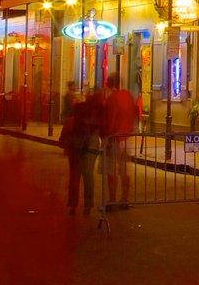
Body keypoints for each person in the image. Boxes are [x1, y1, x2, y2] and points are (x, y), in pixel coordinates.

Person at [59, 90, 102, 215]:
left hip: (76, 146)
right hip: (88, 145)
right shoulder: (95, 113)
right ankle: (87, 205)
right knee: (88, 175)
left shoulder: (73, 118)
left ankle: (73, 205)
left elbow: (63, 139)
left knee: (75, 176)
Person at [100, 73, 140, 209]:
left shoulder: (112, 98)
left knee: (111, 171)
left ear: (109, 84)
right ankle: (124, 199)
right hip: (127, 137)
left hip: (115, 138)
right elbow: (135, 113)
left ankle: (111, 200)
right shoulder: (128, 96)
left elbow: (111, 118)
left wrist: (108, 136)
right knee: (124, 170)